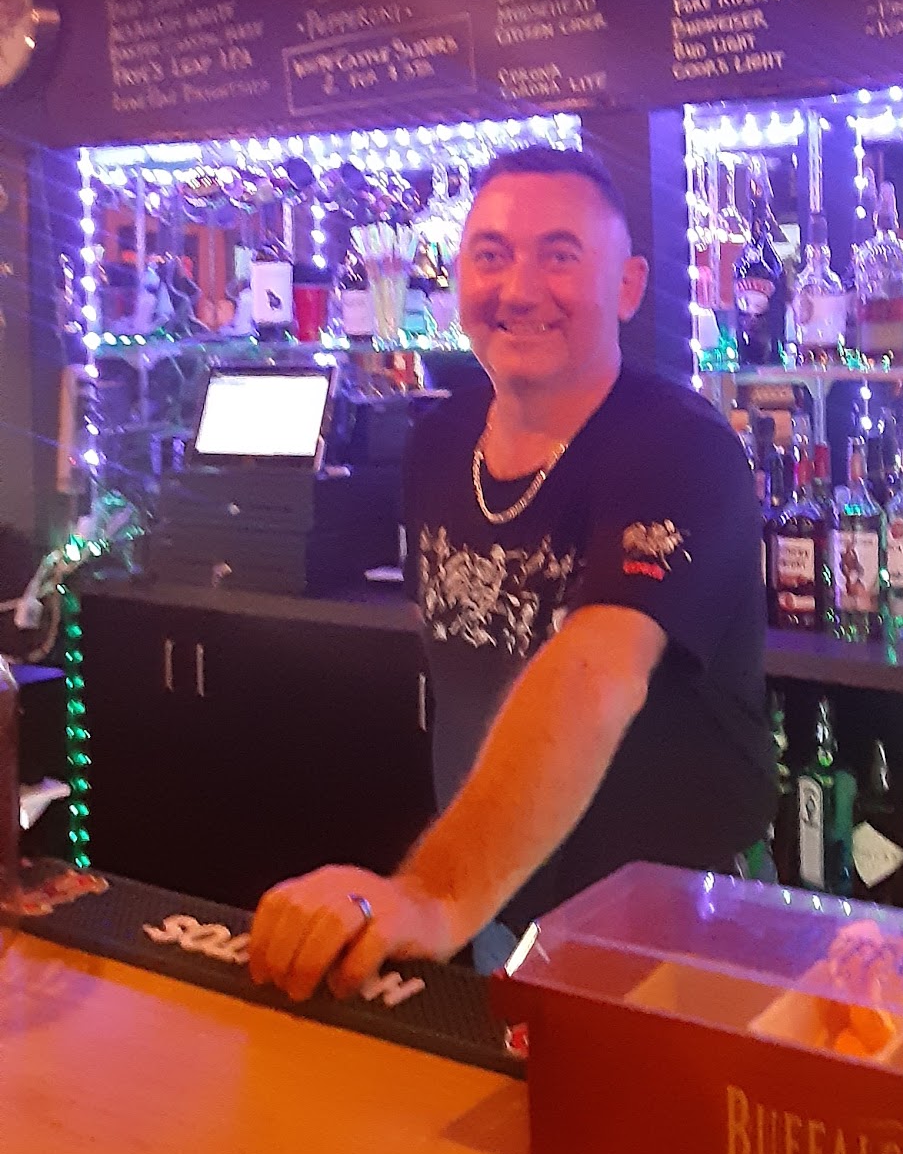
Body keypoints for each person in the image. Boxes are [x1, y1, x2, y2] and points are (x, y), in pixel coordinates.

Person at [248, 145, 773, 1000]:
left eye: (559, 256)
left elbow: (595, 672)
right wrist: (467, 892)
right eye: (490, 255)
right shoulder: (439, 442)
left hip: (679, 922)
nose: (519, 290)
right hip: (504, 909)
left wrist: (434, 894)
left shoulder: (679, 448)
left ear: (628, 286)